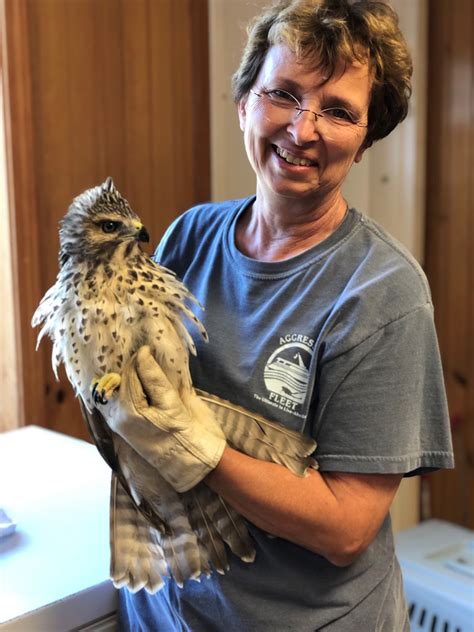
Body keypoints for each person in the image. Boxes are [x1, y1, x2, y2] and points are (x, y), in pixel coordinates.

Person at [118, 1, 454, 629]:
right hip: (167, 609)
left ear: (363, 142)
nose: (303, 131)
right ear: (245, 101)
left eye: (338, 111)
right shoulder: (190, 235)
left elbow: (345, 528)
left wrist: (195, 446)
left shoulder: (385, 292)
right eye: (284, 94)